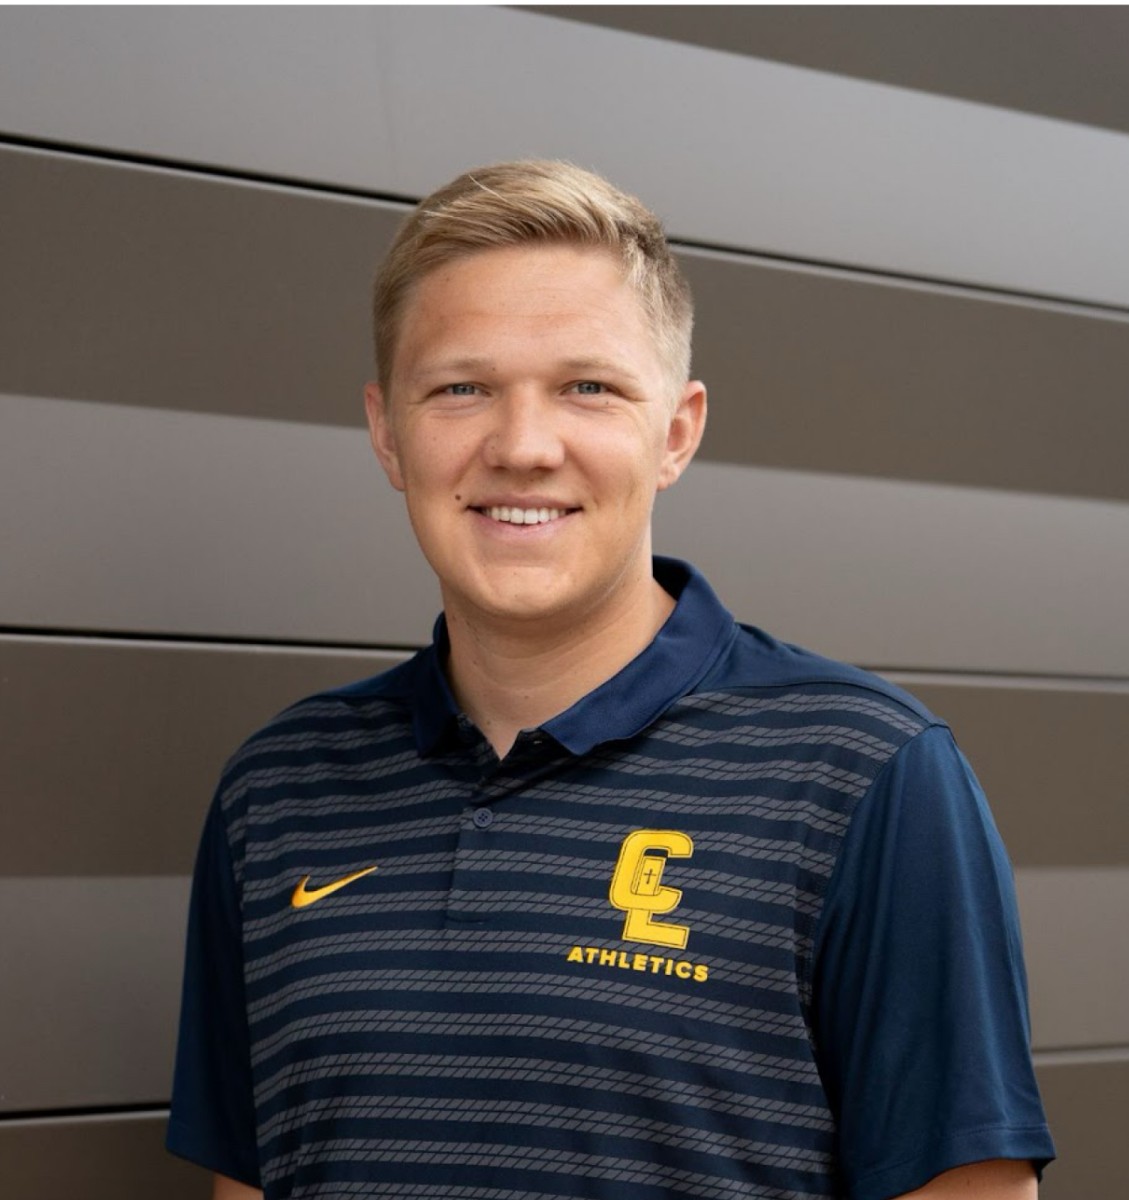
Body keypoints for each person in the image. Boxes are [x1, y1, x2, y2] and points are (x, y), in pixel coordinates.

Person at [168, 161, 1054, 1200]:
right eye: (461, 388)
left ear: (675, 432)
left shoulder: (863, 773)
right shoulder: (279, 786)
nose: (522, 447)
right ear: (386, 432)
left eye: (586, 387)